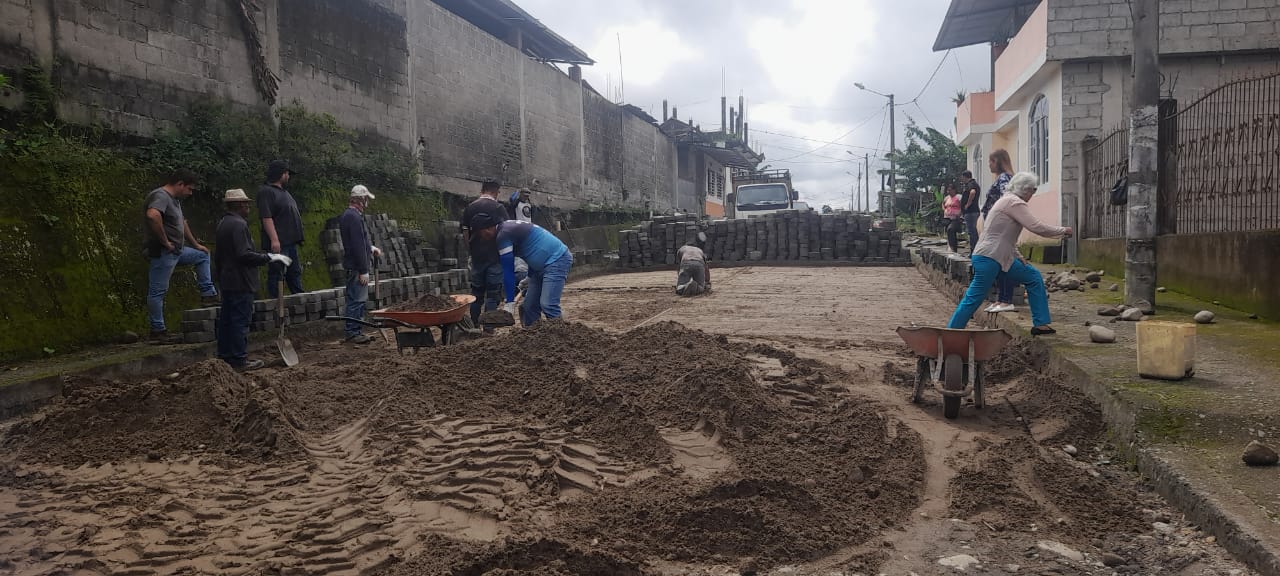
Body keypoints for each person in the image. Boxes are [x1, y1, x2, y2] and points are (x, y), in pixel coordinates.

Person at [948, 172, 1072, 335]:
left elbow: (1004, 235)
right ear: (1026, 189)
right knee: (974, 297)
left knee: (1033, 277)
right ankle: (951, 333)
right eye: (1033, 190)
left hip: (999, 257)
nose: (1033, 194)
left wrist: (1018, 256)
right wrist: (1062, 230)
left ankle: (1041, 324)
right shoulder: (1014, 202)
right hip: (989, 258)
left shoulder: (1006, 200)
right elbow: (1036, 227)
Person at [214, 189, 292, 371]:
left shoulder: (223, 223)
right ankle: (239, 359)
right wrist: (269, 257)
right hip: (241, 281)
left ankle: (225, 357)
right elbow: (244, 254)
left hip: (228, 280)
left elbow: (219, 256)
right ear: (240, 205)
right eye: (246, 204)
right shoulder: (239, 225)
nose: (248, 207)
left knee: (227, 321)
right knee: (240, 321)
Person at [143, 168, 217, 344]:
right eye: (189, 189)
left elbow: (181, 222)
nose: (190, 193)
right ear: (180, 184)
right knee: (157, 291)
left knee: (202, 255)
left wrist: (196, 244)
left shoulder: (174, 200)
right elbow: (152, 215)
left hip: (177, 250)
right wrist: (165, 241)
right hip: (163, 252)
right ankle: (157, 330)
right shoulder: (160, 196)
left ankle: (208, 295)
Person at [469, 215, 572, 327]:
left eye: (480, 234)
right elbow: (532, 250)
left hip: (556, 260)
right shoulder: (507, 228)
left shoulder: (503, 235)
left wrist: (510, 301)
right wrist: (529, 277)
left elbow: (508, 271)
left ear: (487, 229)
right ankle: (534, 335)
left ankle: (562, 335)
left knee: (548, 305)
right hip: (539, 267)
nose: (482, 238)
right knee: (529, 307)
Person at [337, 185, 383, 344]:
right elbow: (356, 245)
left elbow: (360, 240)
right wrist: (363, 270)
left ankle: (355, 331)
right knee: (356, 300)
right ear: (360, 199)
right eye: (366, 199)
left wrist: (370, 248)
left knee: (356, 299)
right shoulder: (353, 217)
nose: (367, 202)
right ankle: (353, 332)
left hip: (354, 265)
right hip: (356, 267)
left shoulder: (351, 215)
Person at [463, 179, 510, 330]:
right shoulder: (498, 207)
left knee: (476, 293)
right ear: (496, 192)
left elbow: (465, 232)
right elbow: (506, 231)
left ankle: (474, 326)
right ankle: (489, 329)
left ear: (482, 190)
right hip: (495, 257)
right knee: (492, 294)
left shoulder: (470, 208)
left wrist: (471, 251)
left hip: (477, 257)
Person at [258, 160, 305, 297]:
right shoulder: (266, 192)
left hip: (290, 242)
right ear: (281, 174)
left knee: (294, 272)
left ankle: (299, 298)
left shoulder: (284, 192)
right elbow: (266, 217)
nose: (288, 176)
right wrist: (274, 240)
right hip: (280, 242)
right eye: (287, 173)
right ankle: (276, 300)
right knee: (277, 272)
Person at [983, 150, 1018, 313]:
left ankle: (1006, 299)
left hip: (1000, 228)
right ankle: (1001, 298)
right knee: (1000, 262)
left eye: (991, 161)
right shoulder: (1005, 178)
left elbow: (1006, 199)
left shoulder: (1004, 178)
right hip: (998, 227)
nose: (989, 165)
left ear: (997, 161)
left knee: (1003, 263)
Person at [958, 170, 982, 254]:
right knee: (973, 231)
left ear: (965, 177)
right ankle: (975, 250)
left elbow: (972, 192)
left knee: (972, 232)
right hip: (972, 211)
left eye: (962, 177)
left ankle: (974, 251)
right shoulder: (973, 184)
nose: (962, 179)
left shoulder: (971, 184)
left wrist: (968, 204)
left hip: (971, 211)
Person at [943, 183, 963, 253]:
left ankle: (952, 247)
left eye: (950, 190)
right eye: (947, 190)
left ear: (954, 190)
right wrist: (945, 210)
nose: (948, 192)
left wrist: (960, 214)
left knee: (950, 229)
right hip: (947, 217)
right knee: (950, 233)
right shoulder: (947, 198)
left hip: (956, 218)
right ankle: (952, 247)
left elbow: (963, 206)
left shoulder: (959, 197)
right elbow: (943, 204)